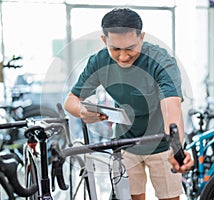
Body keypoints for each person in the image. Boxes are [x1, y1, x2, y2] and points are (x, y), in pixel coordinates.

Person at [64, 7, 193, 200]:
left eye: (130, 48)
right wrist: (82, 111)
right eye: (115, 49)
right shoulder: (99, 62)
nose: (123, 57)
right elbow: (70, 101)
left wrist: (177, 149)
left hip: (161, 144)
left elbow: (172, 108)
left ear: (142, 37)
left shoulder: (161, 61)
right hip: (125, 144)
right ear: (104, 40)